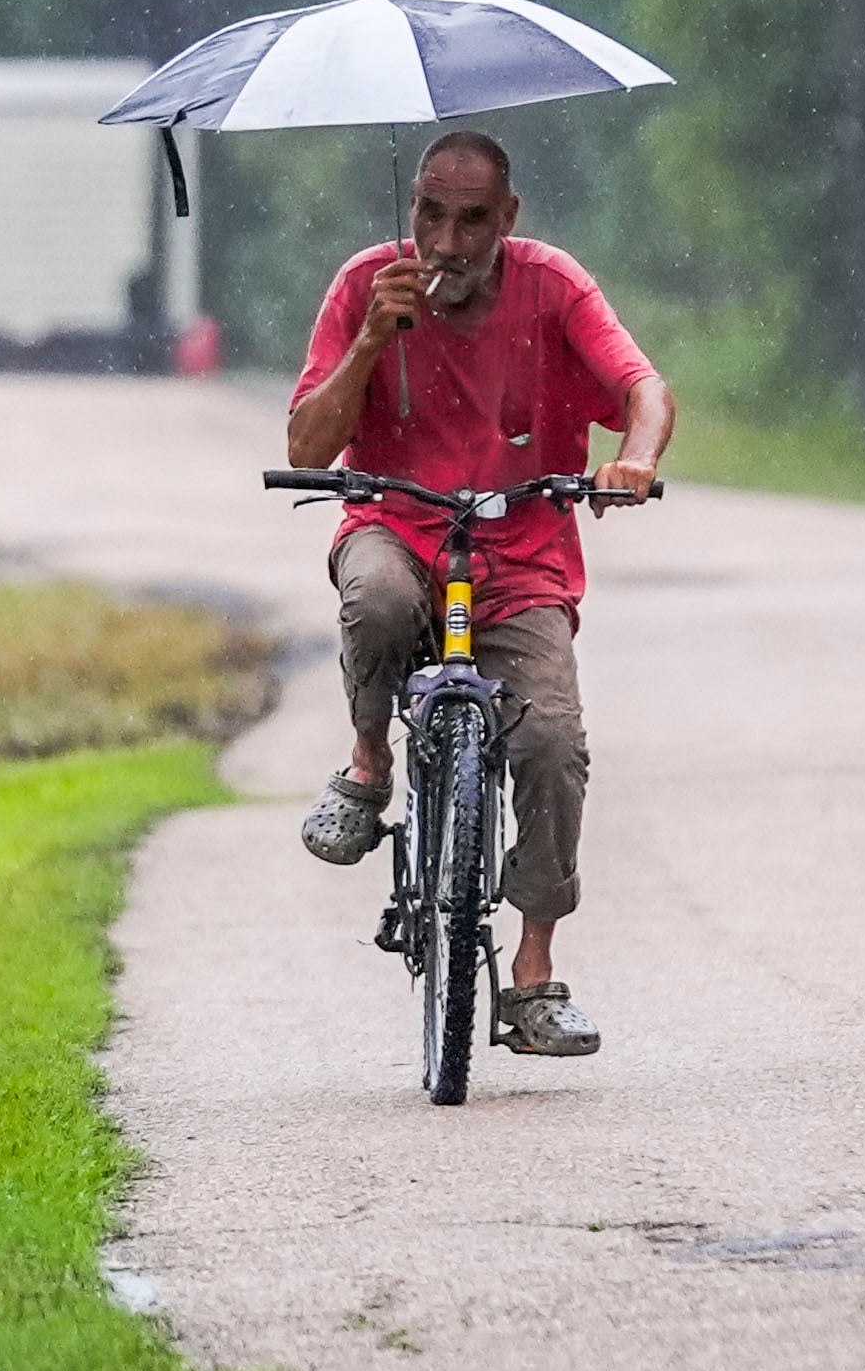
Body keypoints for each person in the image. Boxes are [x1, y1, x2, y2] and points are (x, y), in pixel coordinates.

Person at [284, 129, 674, 1057]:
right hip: (397, 526)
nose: (446, 243)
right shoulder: (367, 286)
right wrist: (375, 336)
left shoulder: (552, 287)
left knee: (549, 744)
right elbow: (306, 447)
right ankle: (369, 761)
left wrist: (635, 461)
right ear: (410, 207)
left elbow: (644, 388)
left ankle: (533, 973)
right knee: (374, 599)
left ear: (509, 218)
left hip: (521, 554)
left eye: (470, 220)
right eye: (429, 214)